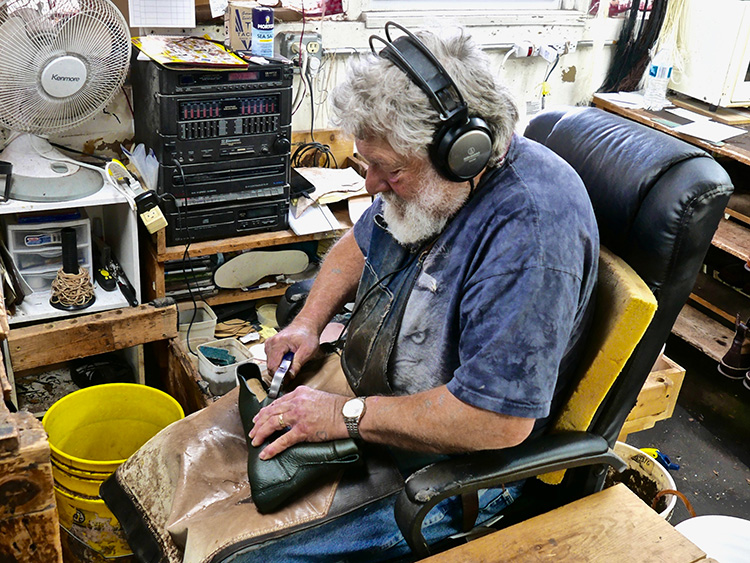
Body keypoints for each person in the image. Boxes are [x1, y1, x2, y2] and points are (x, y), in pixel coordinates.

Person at [229, 24, 599, 562]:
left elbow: (497, 422)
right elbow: (360, 244)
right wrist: (306, 323)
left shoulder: (532, 234)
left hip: (451, 468)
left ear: (463, 154)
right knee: (182, 465)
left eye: (389, 170)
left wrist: (344, 415)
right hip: (372, 397)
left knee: (237, 552)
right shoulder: (432, 184)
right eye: (367, 164)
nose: (370, 184)